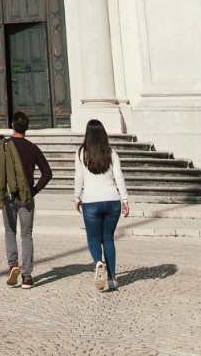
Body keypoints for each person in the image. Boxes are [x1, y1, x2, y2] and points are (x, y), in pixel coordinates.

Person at [0, 111, 51, 289]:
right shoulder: (32, 148)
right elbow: (47, 173)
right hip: (26, 197)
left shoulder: (3, 147)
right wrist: (33, 191)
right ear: (27, 128)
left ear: (12, 126)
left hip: (8, 195)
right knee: (26, 235)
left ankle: (13, 265)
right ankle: (27, 276)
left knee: (10, 232)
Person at [72, 118, 129, 292]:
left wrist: (76, 198)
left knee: (93, 238)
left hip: (91, 201)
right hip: (112, 201)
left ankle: (98, 262)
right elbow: (119, 177)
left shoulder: (81, 153)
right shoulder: (111, 152)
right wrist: (125, 200)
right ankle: (112, 279)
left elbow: (78, 178)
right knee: (108, 239)